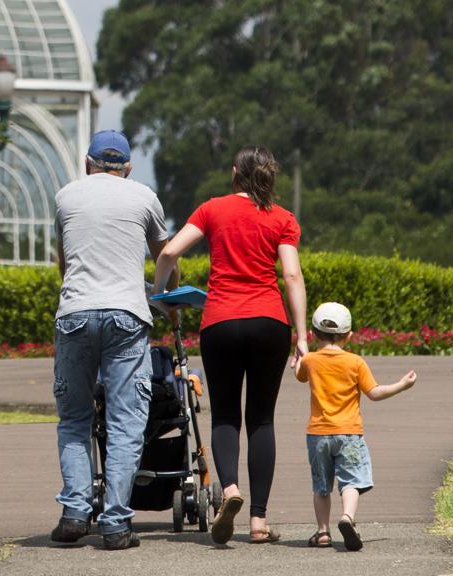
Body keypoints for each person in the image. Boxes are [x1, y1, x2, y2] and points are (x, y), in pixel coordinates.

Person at [153, 145, 308, 545]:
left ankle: (231, 491)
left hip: (220, 321)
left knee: (224, 415)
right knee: (261, 419)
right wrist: (303, 336)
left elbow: (169, 251)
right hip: (269, 323)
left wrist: (158, 294)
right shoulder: (282, 218)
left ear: (235, 171)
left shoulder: (213, 209)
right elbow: (291, 275)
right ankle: (258, 522)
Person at [50, 130, 170, 550]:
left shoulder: (66, 196)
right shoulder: (143, 196)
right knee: (125, 422)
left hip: (76, 314)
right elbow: (165, 259)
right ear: (128, 169)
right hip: (127, 315)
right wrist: (170, 299)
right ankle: (116, 524)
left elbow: (64, 265)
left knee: (75, 420)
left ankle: (75, 514)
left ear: (88, 163)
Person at [294, 302, 417, 551]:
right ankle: (347, 517)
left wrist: (298, 358)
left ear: (314, 334)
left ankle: (322, 533)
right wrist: (402, 385)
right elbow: (375, 392)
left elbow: (300, 373)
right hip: (349, 435)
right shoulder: (355, 362)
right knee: (351, 481)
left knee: (321, 486)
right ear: (348, 335)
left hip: (318, 436)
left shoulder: (311, 361)